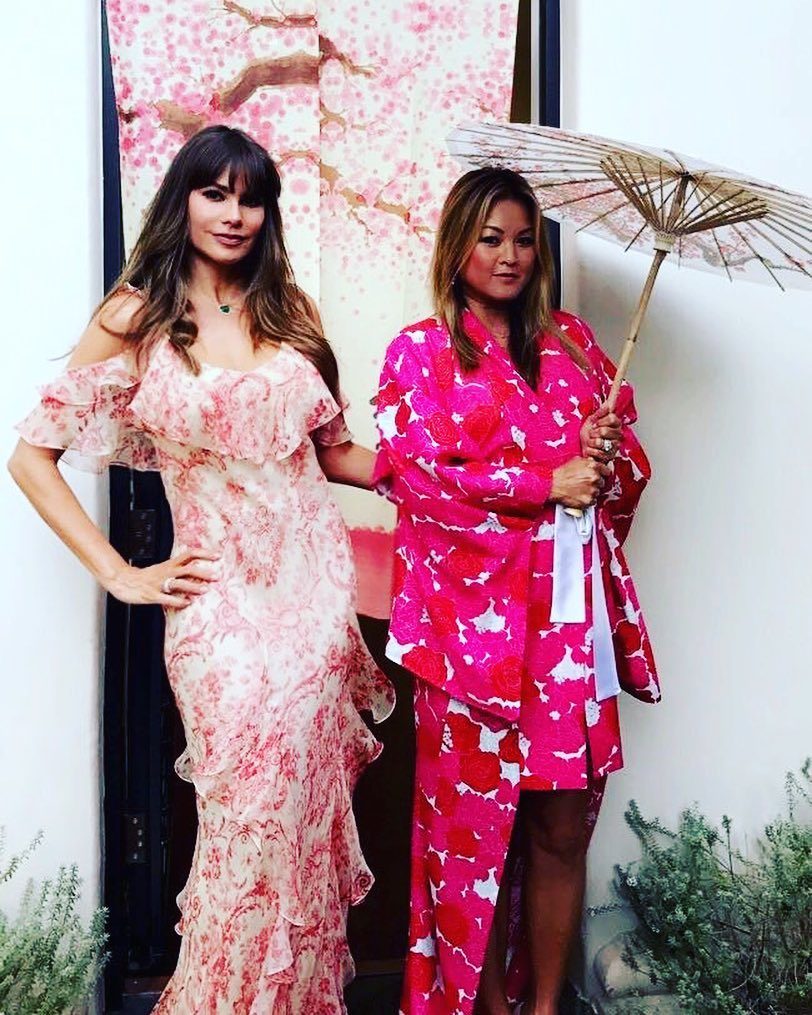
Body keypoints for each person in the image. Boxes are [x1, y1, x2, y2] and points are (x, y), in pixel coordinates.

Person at [9, 124, 394, 1013]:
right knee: (244, 819)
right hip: (219, 612)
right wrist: (120, 572)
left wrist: (450, 475)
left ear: (268, 213)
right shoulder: (135, 315)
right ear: (182, 198)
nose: (233, 213)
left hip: (312, 603)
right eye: (215, 192)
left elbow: (335, 455)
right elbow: (32, 456)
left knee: (297, 827)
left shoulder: (290, 312)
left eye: (251, 198)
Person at [374, 168, 660, 1015]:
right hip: (470, 637)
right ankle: (487, 1008)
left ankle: (542, 1007)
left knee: (560, 827)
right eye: (491, 238)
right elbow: (416, 480)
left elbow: (622, 484)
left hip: (568, 628)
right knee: (477, 838)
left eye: (525, 239)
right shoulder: (419, 352)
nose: (510, 256)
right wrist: (545, 482)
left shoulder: (573, 345)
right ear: (456, 245)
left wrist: (605, 455)